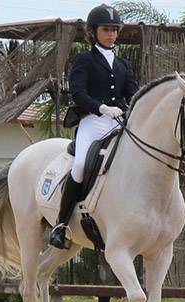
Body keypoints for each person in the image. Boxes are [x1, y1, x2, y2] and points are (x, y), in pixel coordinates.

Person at [49, 4, 139, 249]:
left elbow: (133, 94)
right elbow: (78, 92)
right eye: (106, 29)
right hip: (93, 121)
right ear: (94, 31)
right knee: (79, 166)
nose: (111, 34)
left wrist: (132, 108)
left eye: (114, 29)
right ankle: (60, 224)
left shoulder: (123, 65)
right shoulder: (84, 60)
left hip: (118, 122)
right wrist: (101, 108)